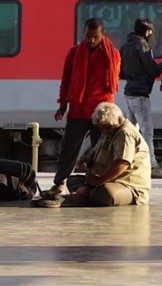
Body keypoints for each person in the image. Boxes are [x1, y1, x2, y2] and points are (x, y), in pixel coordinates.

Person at [47, 18, 121, 198]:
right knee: (68, 148)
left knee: (102, 149)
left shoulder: (112, 55)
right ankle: (59, 183)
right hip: (78, 107)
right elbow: (66, 80)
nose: (91, 40)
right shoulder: (73, 54)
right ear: (84, 33)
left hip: (102, 110)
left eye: (95, 37)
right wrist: (62, 105)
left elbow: (113, 82)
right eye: (88, 36)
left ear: (102, 35)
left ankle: (99, 183)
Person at [34, 102, 151, 208]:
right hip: (105, 180)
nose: (105, 132)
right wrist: (88, 160)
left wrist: (99, 180)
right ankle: (84, 193)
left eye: (107, 128)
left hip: (128, 185)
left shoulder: (125, 134)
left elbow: (122, 163)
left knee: (105, 193)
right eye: (102, 128)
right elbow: (95, 153)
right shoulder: (109, 130)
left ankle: (83, 194)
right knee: (72, 181)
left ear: (119, 120)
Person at [119, 18, 162, 179]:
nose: (151, 35)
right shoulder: (142, 46)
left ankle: (128, 160)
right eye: (150, 32)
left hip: (129, 91)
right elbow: (152, 70)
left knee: (131, 129)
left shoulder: (125, 46)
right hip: (140, 93)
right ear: (146, 32)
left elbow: (121, 72)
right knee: (147, 130)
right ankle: (152, 165)